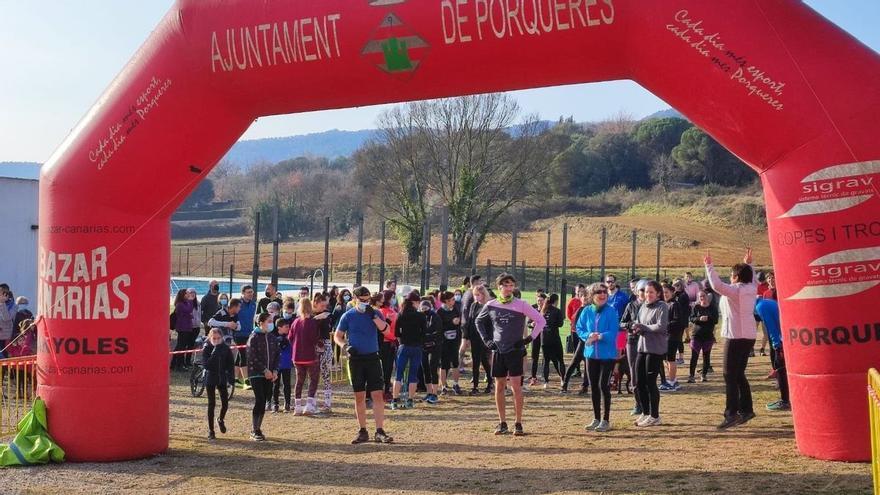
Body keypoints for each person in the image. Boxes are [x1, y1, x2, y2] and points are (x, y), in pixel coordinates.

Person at [475, 273, 546, 436]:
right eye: (506, 285)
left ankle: (518, 423)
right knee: (499, 386)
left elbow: (541, 321)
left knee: (516, 388)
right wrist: (487, 340)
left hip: (515, 350)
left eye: (511, 285)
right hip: (498, 350)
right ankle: (502, 423)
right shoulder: (491, 304)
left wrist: (528, 339)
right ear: (499, 286)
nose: (509, 288)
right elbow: (478, 321)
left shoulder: (521, 304)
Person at [705, 248, 758, 430]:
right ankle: (747, 409)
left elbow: (716, 285)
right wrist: (749, 263)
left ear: (735, 277)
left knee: (729, 374)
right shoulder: (752, 288)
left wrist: (709, 265)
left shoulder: (735, 290)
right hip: (749, 336)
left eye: (731, 275)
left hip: (735, 336)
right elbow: (754, 278)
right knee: (738, 374)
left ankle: (731, 413)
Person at [334, 286, 394, 444]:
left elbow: (386, 331)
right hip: (356, 359)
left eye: (368, 300)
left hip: (373, 358)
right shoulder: (348, 316)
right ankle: (362, 430)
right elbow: (337, 336)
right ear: (355, 299)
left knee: (377, 395)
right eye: (362, 300)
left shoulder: (375, 312)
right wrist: (345, 346)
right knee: (359, 396)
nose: (365, 303)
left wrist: (373, 315)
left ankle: (380, 431)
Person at [577, 283, 620, 432]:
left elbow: (614, 331)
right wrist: (588, 335)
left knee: (603, 385)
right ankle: (596, 418)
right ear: (592, 295)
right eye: (599, 292)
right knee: (593, 386)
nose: (602, 295)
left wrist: (600, 336)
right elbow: (579, 328)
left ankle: (606, 420)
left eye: (604, 292)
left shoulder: (611, 311)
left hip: (607, 355)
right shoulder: (587, 311)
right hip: (590, 355)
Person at [631, 280, 668, 427]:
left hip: (655, 349)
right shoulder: (642, 307)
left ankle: (655, 416)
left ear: (658, 293)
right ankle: (645, 412)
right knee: (639, 382)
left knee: (650, 383)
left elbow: (660, 326)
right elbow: (639, 323)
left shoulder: (662, 306)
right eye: (646, 292)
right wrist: (636, 328)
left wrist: (643, 327)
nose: (648, 295)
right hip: (642, 347)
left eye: (651, 292)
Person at [247, 313, 280, 441]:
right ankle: (254, 429)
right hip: (256, 374)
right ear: (260, 322)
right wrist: (264, 370)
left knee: (265, 399)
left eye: (272, 321)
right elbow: (252, 357)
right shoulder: (253, 338)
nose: (271, 323)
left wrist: (275, 370)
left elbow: (277, 355)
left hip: (270, 374)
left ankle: (258, 428)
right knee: (259, 399)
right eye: (269, 321)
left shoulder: (272, 337)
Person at [391, 291, 425, 410]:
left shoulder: (400, 314)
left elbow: (396, 333)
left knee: (398, 374)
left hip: (404, 346)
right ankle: (410, 400)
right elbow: (424, 333)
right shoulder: (421, 316)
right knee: (413, 375)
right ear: (415, 302)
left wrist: (402, 340)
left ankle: (394, 400)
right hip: (416, 347)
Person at [755, 297, 790, 411]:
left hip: (781, 340)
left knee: (780, 369)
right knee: (783, 370)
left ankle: (785, 401)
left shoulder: (761, 307)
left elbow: (771, 326)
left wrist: (776, 345)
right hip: (787, 338)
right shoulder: (767, 302)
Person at [290, 299, 322, 416]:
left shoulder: (295, 322)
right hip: (310, 356)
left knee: (299, 380)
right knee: (313, 379)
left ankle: (297, 406)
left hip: (297, 356)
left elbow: (290, 337)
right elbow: (314, 338)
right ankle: (309, 404)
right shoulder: (312, 322)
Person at [203, 328, 234, 440]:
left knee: (225, 403)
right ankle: (211, 430)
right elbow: (207, 365)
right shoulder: (207, 348)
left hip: (222, 378)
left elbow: (230, 364)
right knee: (211, 404)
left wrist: (231, 378)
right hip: (211, 378)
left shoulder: (226, 348)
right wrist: (214, 352)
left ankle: (220, 419)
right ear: (210, 338)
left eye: (218, 338)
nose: (216, 340)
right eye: (214, 338)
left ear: (222, 338)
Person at [621, 280, 647, 416]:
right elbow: (622, 323)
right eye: (641, 290)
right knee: (634, 373)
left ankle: (647, 404)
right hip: (632, 341)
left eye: (645, 290)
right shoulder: (631, 305)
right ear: (636, 291)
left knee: (647, 373)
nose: (643, 293)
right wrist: (631, 325)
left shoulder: (652, 306)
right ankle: (638, 404)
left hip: (648, 341)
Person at [561, 290, 591, 394]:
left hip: (589, 341)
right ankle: (564, 384)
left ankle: (584, 387)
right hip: (583, 341)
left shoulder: (591, 309)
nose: (586, 299)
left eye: (588, 297)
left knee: (588, 365)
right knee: (574, 362)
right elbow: (578, 327)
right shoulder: (581, 310)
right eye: (584, 297)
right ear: (580, 298)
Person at [659, 283, 688, 391]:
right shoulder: (664, 304)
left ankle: (671, 382)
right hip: (664, 336)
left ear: (672, 292)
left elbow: (677, 321)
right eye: (663, 292)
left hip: (672, 336)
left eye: (666, 292)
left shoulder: (674, 304)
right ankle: (673, 380)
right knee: (666, 359)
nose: (664, 294)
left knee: (670, 359)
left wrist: (665, 325)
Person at [467, 284, 494, 395]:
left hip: (485, 337)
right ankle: (475, 386)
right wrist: (467, 337)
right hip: (474, 337)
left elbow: (491, 323)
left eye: (478, 295)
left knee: (484, 360)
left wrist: (489, 338)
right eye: (475, 295)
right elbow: (470, 321)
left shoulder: (489, 306)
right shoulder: (474, 305)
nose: (476, 297)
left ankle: (490, 382)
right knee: (475, 361)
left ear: (483, 295)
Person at [688, 290, 718, 383]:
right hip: (696, 335)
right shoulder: (696, 307)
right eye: (700, 297)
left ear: (707, 297)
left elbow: (716, 320)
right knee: (694, 356)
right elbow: (691, 318)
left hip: (708, 336)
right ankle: (691, 376)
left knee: (706, 356)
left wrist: (708, 318)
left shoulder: (713, 307)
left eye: (703, 296)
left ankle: (704, 375)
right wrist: (699, 318)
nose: (702, 298)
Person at [312, 293, 335, 413]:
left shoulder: (327, 315)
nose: (324, 307)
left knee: (325, 374)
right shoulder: (311, 316)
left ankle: (327, 403)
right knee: (313, 376)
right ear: (315, 303)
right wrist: (315, 319)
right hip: (313, 347)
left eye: (325, 305)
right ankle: (312, 403)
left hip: (325, 345)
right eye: (322, 305)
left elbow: (328, 330)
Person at [437, 291, 463, 395]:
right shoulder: (440, 312)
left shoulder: (456, 309)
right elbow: (439, 327)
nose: (454, 301)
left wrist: (457, 322)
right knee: (444, 364)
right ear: (446, 301)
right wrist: (451, 322)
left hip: (454, 340)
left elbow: (459, 322)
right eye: (452, 299)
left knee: (455, 363)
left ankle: (456, 384)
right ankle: (443, 386)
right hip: (444, 341)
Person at [540, 294, 566, 389]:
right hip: (554, 338)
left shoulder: (543, 310)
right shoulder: (557, 311)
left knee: (546, 361)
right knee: (560, 360)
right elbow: (560, 324)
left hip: (544, 339)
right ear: (556, 301)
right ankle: (563, 380)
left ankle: (546, 382)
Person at [420, 297, 443, 404]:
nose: (424, 310)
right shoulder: (420, 317)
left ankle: (435, 393)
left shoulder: (435, 317)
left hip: (435, 346)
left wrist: (427, 336)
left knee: (433, 367)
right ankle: (429, 392)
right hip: (424, 347)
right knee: (425, 368)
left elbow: (438, 333)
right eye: (422, 308)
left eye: (426, 307)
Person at [235, 285, 258, 389]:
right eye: (248, 292)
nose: (250, 294)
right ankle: (246, 381)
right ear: (243, 293)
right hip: (238, 334)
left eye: (251, 292)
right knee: (244, 356)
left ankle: (235, 379)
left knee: (240, 356)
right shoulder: (237, 303)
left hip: (249, 333)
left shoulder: (253, 304)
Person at [378, 290, 399, 401]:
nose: (394, 300)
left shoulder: (379, 312)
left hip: (383, 343)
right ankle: (385, 390)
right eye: (392, 297)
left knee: (384, 369)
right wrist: (394, 338)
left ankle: (384, 389)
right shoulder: (389, 313)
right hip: (387, 343)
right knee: (387, 369)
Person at [171, 289, 196, 371]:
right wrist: (191, 301)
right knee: (181, 346)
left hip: (186, 327)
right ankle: (179, 365)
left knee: (180, 346)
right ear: (182, 295)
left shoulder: (185, 303)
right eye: (186, 294)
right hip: (182, 328)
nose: (188, 295)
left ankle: (174, 363)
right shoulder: (180, 304)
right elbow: (189, 310)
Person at [272, 318, 293, 413]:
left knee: (287, 384)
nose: (288, 328)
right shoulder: (273, 338)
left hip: (287, 364)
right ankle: (275, 403)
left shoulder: (289, 337)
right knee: (276, 384)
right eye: (286, 327)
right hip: (277, 365)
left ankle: (287, 403)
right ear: (279, 328)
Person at [528, 290, 547, 387]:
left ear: (545, 301)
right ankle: (533, 377)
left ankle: (544, 377)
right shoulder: (533, 308)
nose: (539, 302)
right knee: (534, 357)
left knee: (545, 356)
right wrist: (531, 324)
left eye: (541, 300)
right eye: (538, 300)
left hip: (545, 336)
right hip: (535, 335)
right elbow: (528, 322)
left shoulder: (548, 309)